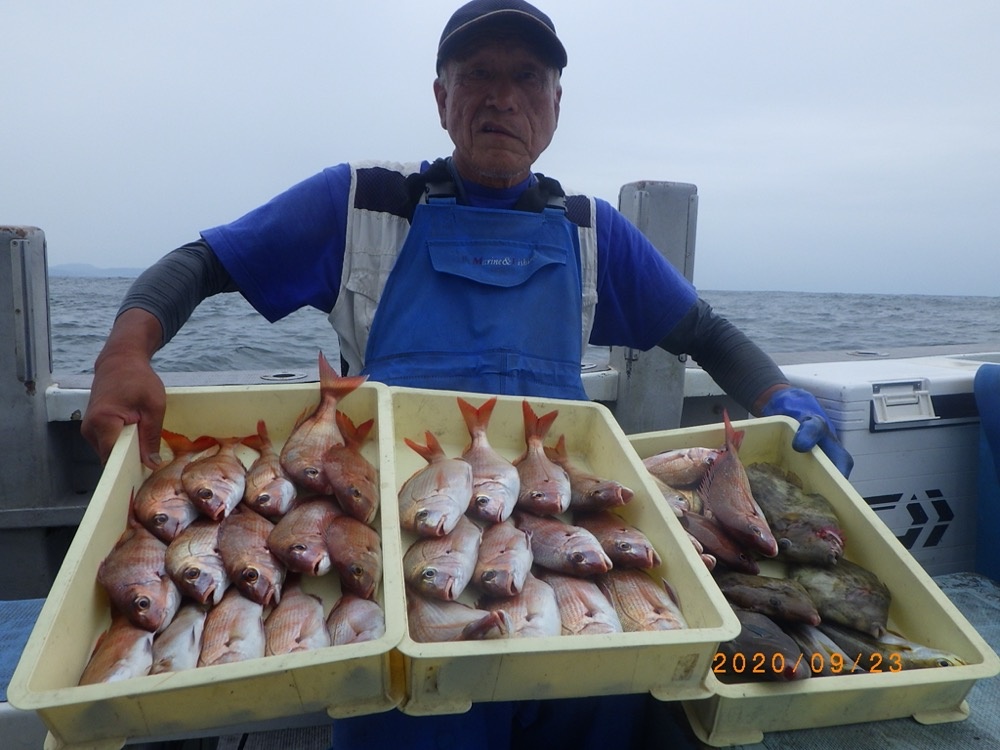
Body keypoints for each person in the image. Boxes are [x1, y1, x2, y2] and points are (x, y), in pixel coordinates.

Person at [81, 1, 853, 747]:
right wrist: (125, 352)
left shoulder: (591, 231)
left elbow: (703, 330)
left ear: (555, 104)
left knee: (593, 719)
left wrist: (777, 395)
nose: (501, 97)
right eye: (477, 74)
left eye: (527, 78)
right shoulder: (361, 202)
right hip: (393, 543)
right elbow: (203, 261)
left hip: (558, 533)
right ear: (441, 97)